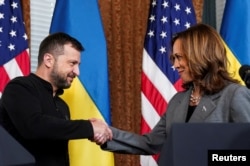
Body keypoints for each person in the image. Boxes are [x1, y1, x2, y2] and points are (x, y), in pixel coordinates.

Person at [97, 24, 250, 156]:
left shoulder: (234, 95)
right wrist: (107, 133)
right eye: (174, 59)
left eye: (179, 57)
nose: (175, 65)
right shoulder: (178, 101)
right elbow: (150, 143)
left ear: (200, 55)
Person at [0, 32, 112, 166]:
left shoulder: (63, 105)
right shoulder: (19, 87)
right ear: (49, 60)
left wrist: (95, 130)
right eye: (72, 63)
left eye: (78, 65)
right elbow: (34, 126)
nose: (77, 72)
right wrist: (89, 127)